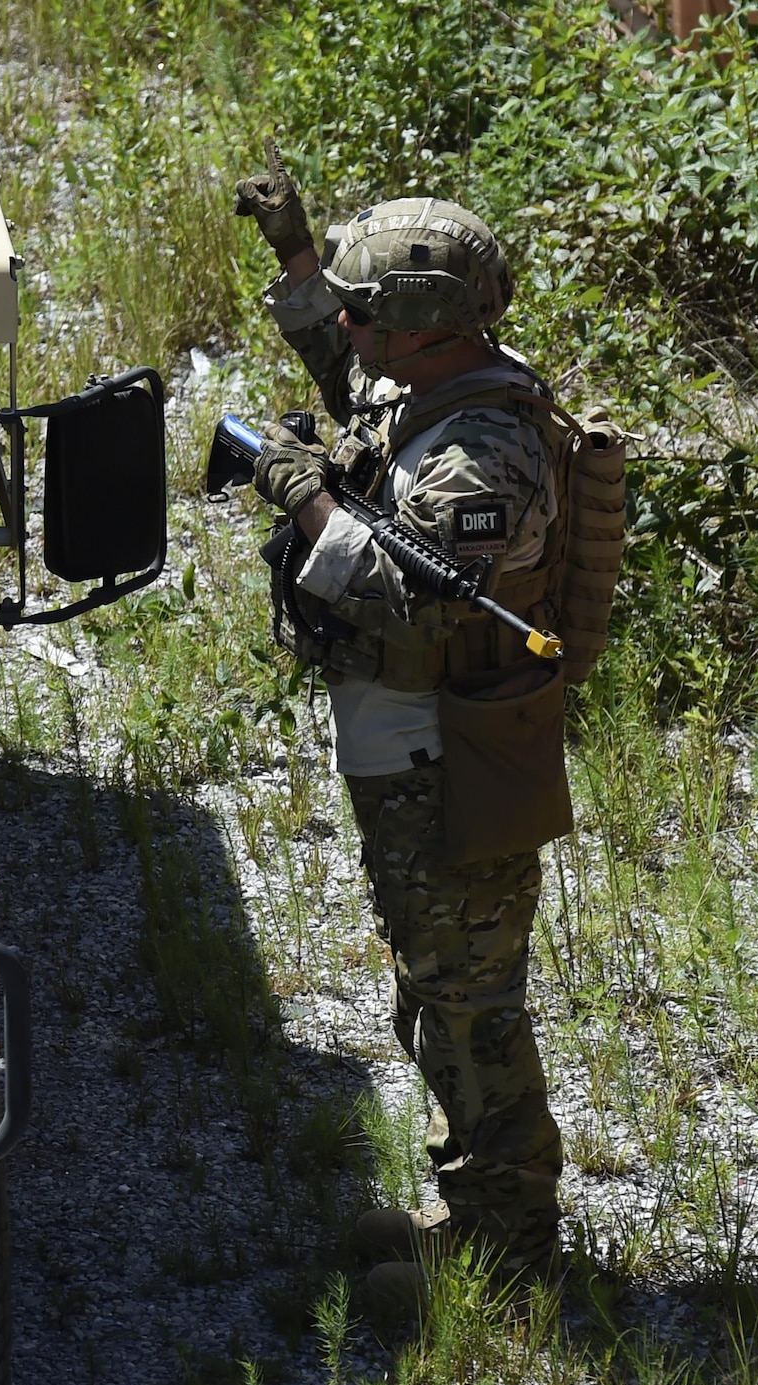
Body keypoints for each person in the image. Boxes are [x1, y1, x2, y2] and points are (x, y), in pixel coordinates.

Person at [234, 149, 573, 1304]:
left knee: (471, 1001)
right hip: (407, 741)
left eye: (362, 306)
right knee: (431, 984)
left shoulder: (484, 451)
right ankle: (472, 1206)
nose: (345, 321)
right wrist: (294, 253)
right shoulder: (429, 378)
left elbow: (405, 590)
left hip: (453, 756)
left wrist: (300, 492)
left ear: (420, 327)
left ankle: (512, 1257)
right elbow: (351, 379)